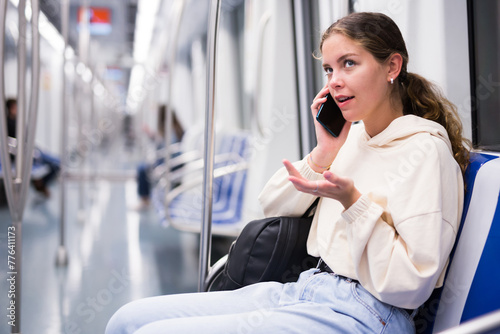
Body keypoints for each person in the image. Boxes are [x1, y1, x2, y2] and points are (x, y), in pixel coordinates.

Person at [105, 12, 469, 333]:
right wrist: (324, 153)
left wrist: (352, 202)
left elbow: (410, 282)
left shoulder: (424, 152)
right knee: (126, 320)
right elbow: (272, 206)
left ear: (392, 67)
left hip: (369, 313)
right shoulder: (352, 138)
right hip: (307, 288)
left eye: (349, 64)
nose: (334, 81)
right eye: (329, 69)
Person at [4, 98, 60, 198]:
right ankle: (40, 184)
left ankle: (40, 183)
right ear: (12, 108)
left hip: (30, 149)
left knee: (57, 161)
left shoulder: (17, 121)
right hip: (24, 152)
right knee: (56, 164)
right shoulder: (7, 124)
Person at [134, 106, 184, 210]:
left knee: (142, 170)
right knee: (142, 167)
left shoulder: (171, 131)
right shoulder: (172, 128)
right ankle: (145, 199)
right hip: (170, 161)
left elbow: (170, 150)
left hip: (171, 164)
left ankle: (145, 200)